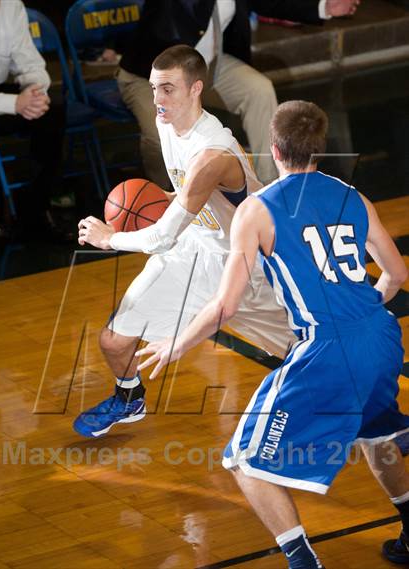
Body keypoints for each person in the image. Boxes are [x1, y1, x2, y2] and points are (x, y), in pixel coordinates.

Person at [136, 100, 409, 568]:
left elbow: (226, 305)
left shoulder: (258, 210)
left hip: (326, 348)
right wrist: (362, 309)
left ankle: (305, 564)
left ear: (272, 148)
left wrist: (176, 343)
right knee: (374, 434)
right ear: (319, 149)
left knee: (245, 461)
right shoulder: (353, 196)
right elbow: (397, 274)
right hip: (382, 337)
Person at [74, 45, 297, 438]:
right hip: (192, 250)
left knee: (306, 353)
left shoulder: (212, 153)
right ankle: (129, 398)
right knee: (113, 341)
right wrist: (166, 200)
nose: (158, 99)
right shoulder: (166, 122)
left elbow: (162, 235)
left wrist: (111, 239)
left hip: (244, 262)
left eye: (169, 89)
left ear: (196, 89)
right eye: (155, 88)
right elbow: (182, 202)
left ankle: (378, 417)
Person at [117, 0, 360, 189]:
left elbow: (271, 3)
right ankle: (162, 197)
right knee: (159, 136)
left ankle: (270, 187)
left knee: (259, 90)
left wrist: (324, 6)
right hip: (148, 77)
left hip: (207, 68)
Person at [0, 0, 70, 239]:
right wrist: (14, 103)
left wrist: (35, 93)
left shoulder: (11, 7)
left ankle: (36, 210)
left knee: (51, 113)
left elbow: (30, 63)